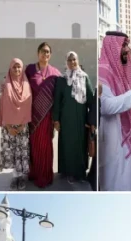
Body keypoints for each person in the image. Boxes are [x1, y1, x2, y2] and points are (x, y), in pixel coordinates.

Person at [99, 31, 131, 191]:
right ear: (113, 46)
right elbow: (106, 106)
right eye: (123, 45)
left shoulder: (120, 71)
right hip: (113, 134)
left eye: (127, 44)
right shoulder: (103, 71)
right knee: (116, 180)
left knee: (128, 177)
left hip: (126, 133)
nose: (127, 49)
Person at [52, 51, 94, 184]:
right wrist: (56, 120)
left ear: (78, 60)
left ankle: (79, 172)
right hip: (66, 120)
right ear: (66, 62)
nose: (72, 62)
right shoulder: (62, 79)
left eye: (74, 59)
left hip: (81, 121)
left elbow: (91, 100)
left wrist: (91, 121)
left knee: (80, 146)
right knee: (67, 145)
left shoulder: (84, 77)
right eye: (69, 60)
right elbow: (57, 100)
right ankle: (67, 171)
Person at [25, 42, 61, 188]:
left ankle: (45, 176)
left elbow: (60, 95)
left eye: (47, 52)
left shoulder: (55, 73)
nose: (45, 54)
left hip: (47, 117)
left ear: (50, 55)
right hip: (32, 116)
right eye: (42, 51)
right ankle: (33, 172)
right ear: (37, 53)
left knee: (45, 146)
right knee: (33, 146)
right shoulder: (30, 70)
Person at [0, 58, 32, 190]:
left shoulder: (26, 84)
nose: (17, 70)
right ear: (10, 68)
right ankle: (14, 177)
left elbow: (28, 106)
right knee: (12, 153)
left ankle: (22, 177)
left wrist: (23, 124)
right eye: (14, 67)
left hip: (22, 127)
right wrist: (7, 126)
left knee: (21, 153)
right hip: (9, 127)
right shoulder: (6, 85)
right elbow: (2, 106)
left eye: (19, 67)